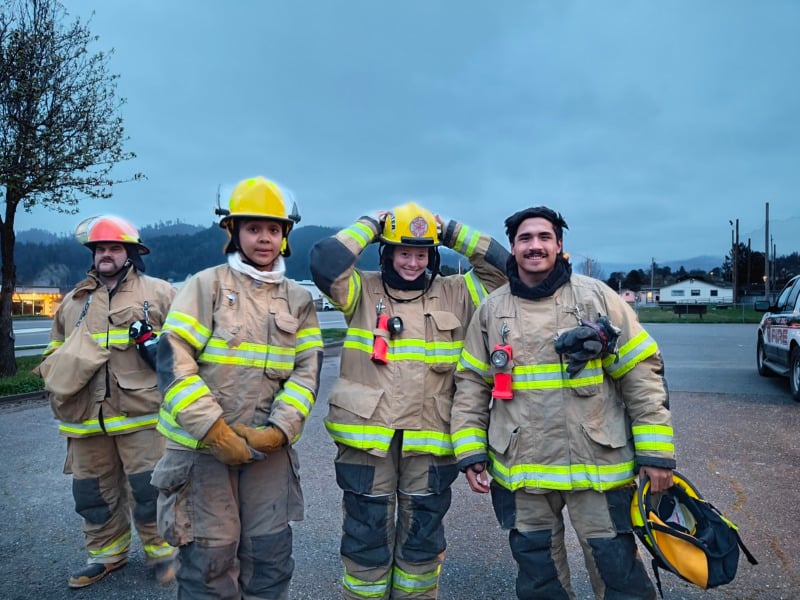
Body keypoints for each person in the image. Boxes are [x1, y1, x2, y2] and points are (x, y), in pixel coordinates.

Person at [450, 206, 676, 600]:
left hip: (597, 466)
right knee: (539, 578)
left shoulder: (596, 298)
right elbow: (471, 383)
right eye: (525, 239)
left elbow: (641, 373)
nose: (534, 246)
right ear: (513, 248)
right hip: (522, 470)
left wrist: (657, 454)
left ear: (559, 245)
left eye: (543, 237)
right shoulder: (491, 310)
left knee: (618, 570)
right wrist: (470, 452)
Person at [309, 202, 509, 599]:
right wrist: (370, 224)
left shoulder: (458, 292)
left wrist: (450, 230)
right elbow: (325, 262)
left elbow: (504, 271)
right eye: (403, 252)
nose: (413, 262)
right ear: (386, 253)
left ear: (433, 255)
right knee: (365, 535)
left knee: (422, 538)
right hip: (367, 441)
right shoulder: (359, 290)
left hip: (430, 440)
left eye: (421, 253)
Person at [151, 176, 323, 599]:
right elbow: (174, 360)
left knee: (269, 558)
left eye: (273, 229)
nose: (264, 238)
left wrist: (279, 430)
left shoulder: (298, 299)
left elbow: (306, 373)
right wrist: (214, 431)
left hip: (268, 453)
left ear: (285, 236)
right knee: (209, 561)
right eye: (253, 228)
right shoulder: (205, 286)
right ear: (233, 232)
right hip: (202, 451)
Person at [39, 215, 177, 588]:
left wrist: (154, 342)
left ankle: (162, 553)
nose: (106, 255)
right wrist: (58, 376)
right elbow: (53, 351)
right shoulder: (73, 302)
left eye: (114, 248)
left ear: (130, 253)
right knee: (92, 494)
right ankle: (106, 555)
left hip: (141, 416)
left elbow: (185, 350)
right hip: (84, 418)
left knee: (150, 491)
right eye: (100, 249)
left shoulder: (160, 293)